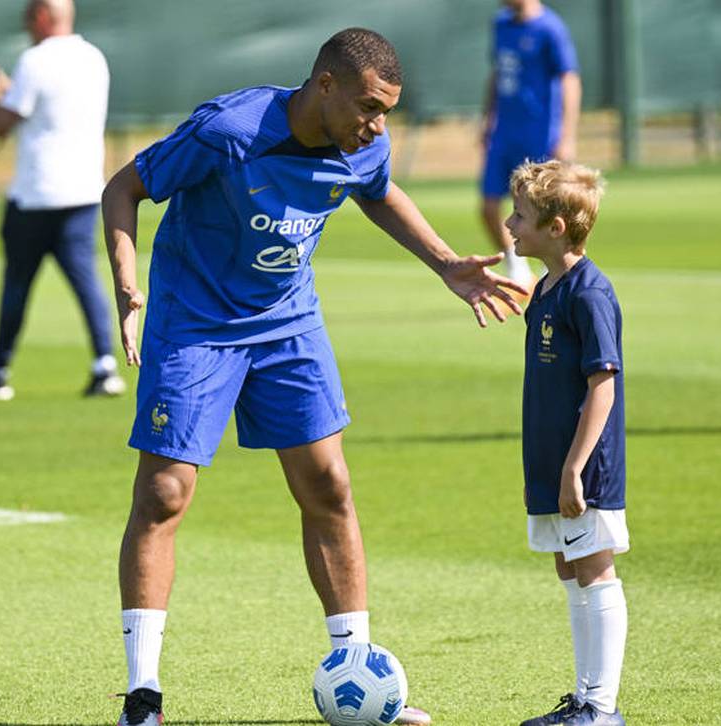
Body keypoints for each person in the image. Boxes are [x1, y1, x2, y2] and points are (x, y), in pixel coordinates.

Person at [100, 28, 528, 726]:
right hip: (195, 320)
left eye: (387, 110)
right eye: (367, 106)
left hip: (286, 322)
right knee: (165, 492)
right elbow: (124, 189)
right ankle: (143, 696)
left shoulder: (364, 143)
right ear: (323, 85)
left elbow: (380, 192)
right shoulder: (229, 131)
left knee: (329, 484)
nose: (377, 124)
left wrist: (447, 263)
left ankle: (359, 673)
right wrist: (127, 289)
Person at [505, 160, 628, 726]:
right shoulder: (548, 288)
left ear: (556, 229)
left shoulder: (590, 293)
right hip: (550, 460)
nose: (509, 224)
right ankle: (583, 701)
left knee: (594, 567)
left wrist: (576, 467)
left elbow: (602, 385)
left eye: (522, 217)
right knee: (568, 566)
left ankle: (600, 708)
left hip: (584, 466)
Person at [0, 0, 124, 401]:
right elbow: (42, 105)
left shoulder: (36, 59)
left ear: (43, 17)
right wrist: (0, 84)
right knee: (87, 282)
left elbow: (1, 123)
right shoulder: (93, 58)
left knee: (17, 284)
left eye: (29, 17)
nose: (26, 25)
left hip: (36, 194)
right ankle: (105, 365)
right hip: (83, 191)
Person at [480, 0, 582, 294]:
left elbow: (570, 79)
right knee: (488, 207)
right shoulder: (500, 24)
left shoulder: (550, 28)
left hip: (540, 136)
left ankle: (558, 279)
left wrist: (567, 135)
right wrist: (488, 116)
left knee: (548, 213)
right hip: (504, 135)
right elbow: (497, 72)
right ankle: (518, 270)